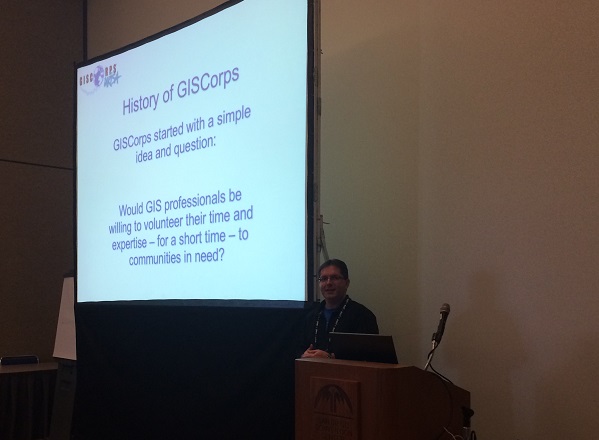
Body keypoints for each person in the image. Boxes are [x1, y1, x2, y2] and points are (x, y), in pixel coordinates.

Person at [301, 259, 379, 359]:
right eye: (323, 279)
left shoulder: (363, 316)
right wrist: (303, 355)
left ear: (347, 283)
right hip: (311, 368)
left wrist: (330, 357)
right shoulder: (311, 316)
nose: (328, 283)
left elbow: (369, 355)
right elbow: (298, 348)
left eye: (334, 278)